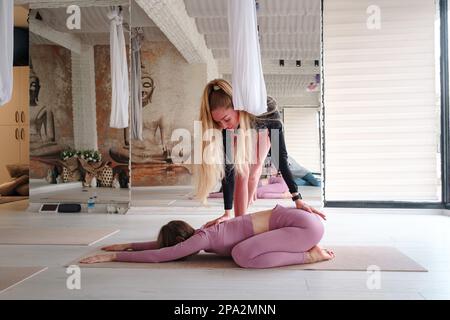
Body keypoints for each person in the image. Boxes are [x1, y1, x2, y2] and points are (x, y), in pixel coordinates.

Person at [195, 79, 324, 227]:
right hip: (242, 130)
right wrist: (227, 212)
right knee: (241, 173)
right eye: (218, 123)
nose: (223, 126)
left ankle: (243, 216)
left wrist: (297, 198)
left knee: (255, 171)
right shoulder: (227, 129)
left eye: (226, 119)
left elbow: (279, 158)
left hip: (262, 130)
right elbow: (229, 169)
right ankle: (239, 222)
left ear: (237, 107)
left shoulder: (266, 109)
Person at [79, 204, 333, 269]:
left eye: (178, 249)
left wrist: (114, 256)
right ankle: (306, 249)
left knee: (243, 255)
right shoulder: (203, 233)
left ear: (181, 242)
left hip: (304, 229)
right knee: (243, 251)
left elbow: (161, 255)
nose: (179, 254)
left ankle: (309, 256)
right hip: (303, 225)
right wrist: (128, 245)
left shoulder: (202, 239)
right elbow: (162, 248)